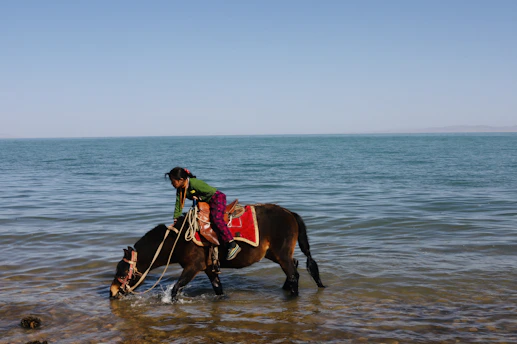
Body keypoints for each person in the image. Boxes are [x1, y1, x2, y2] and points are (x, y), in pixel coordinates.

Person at [165, 167, 241, 260]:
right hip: (206, 201)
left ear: (181, 180)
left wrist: (199, 198)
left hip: (216, 198)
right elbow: (178, 204)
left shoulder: (194, 183)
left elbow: (210, 191)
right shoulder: (180, 189)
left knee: (216, 219)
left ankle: (232, 243)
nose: (172, 183)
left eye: (173, 181)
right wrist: (176, 218)